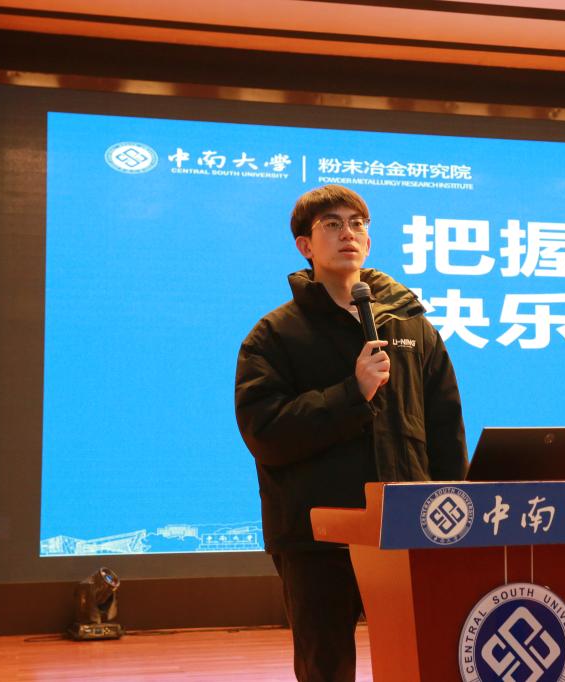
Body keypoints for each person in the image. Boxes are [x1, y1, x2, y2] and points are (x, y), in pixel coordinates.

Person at [234, 185, 468, 681]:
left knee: (420, 660)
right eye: (332, 224)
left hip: (409, 527)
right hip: (317, 537)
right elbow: (265, 432)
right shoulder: (275, 334)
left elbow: (445, 430)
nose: (348, 233)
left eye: (358, 223)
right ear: (305, 245)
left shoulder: (412, 327)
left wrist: (458, 513)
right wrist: (351, 393)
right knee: (326, 667)